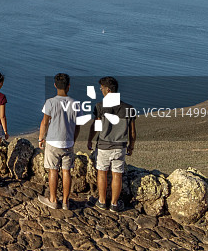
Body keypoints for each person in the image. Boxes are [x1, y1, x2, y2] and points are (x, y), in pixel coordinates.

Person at [86, 76, 136, 212]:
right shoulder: (128, 108)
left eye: (101, 88)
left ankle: (102, 201)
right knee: (117, 175)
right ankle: (114, 204)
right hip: (120, 147)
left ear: (108, 90)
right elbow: (132, 131)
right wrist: (131, 146)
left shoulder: (99, 107)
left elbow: (95, 127)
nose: (101, 90)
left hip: (103, 146)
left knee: (101, 173)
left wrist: (90, 140)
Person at [38, 73, 81, 210]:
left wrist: (41, 138)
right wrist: (73, 140)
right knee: (66, 171)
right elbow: (77, 126)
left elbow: (45, 123)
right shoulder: (75, 104)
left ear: (55, 85)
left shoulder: (50, 102)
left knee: (53, 170)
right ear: (69, 86)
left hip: (53, 142)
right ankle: (66, 202)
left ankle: (53, 199)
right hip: (68, 143)